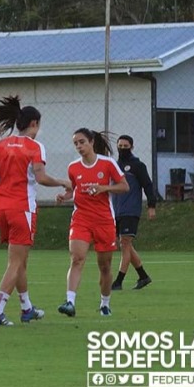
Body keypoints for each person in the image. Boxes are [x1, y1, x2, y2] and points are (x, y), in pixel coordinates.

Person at [0, 96, 70, 326]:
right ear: (34, 123)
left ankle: (27, 307)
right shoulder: (35, 146)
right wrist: (62, 182)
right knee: (15, 263)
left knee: (20, 261)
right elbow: (41, 177)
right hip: (22, 207)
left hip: (2, 207)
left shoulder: (2, 144)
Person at [55, 128, 128, 318]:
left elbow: (124, 186)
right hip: (81, 219)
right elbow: (74, 189)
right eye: (76, 143)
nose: (79, 146)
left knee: (104, 266)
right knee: (77, 258)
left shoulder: (107, 163)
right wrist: (65, 196)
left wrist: (103, 188)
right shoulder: (73, 167)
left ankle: (105, 303)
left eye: (82, 142)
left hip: (104, 220)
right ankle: (69, 302)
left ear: (91, 142)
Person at [110, 135, 158, 291]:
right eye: (120, 145)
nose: (122, 148)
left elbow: (148, 185)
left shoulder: (137, 166)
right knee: (125, 245)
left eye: (126, 146)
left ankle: (118, 282)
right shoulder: (115, 165)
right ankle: (143, 276)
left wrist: (151, 206)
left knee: (125, 244)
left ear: (132, 147)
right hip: (116, 210)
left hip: (131, 210)